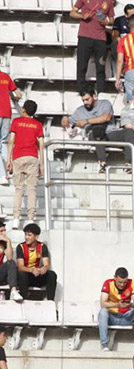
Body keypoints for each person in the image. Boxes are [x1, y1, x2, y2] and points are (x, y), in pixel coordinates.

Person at [62, 87, 133, 173]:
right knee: (98, 130)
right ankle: (102, 163)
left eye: (87, 99)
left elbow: (106, 117)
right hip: (95, 135)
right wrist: (65, 119)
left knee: (129, 132)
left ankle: (129, 164)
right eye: (83, 100)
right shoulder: (80, 110)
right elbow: (67, 121)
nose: (85, 102)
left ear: (94, 97)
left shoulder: (105, 103)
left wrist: (86, 121)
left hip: (110, 133)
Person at [7, 101, 44, 229]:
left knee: (18, 189)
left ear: (23, 110)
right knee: (31, 189)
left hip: (18, 157)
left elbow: (11, 141)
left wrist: (8, 160)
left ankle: (16, 219)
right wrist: (42, 164)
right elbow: (41, 145)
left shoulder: (16, 122)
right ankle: (30, 219)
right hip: (32, 157)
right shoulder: (38, 124)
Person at [71, 0, 114, 94]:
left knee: (100, 68)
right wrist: (82, 16)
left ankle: (101, 93)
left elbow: (111, 20)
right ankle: (81, 92)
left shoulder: (109, 2)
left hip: (101, 39)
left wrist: (106, 23)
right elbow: (72, 13)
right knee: (81, 66)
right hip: (84, 37)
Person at [98, 267, 134, 350]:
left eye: (124, 282)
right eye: (119, 282)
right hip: (112, 317)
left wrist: (129, 305)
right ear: (114, 277)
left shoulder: (132, 283)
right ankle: (104, 344)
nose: (122, 285)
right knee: (103, 312)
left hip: (126, 317)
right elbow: (102, 303)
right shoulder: (108, 283)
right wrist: (117, 305)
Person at [16, 223, 57, 301]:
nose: (26, 237)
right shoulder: (20, 247)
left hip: (37, 275)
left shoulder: (42, 246)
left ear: (36, 236)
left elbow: (47, 264)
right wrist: (31, 270)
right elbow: (20, 267)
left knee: (52, 274)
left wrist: (43, 269)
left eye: (29, 235)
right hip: (26, 276)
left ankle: (51, 302)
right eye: (25, 235)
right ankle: (25, 301)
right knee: (22, 274)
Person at [0, 67, 23, 183]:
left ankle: (2, 175)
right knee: (3, 141)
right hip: (6, 112)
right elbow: (18, 94)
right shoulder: (6, 76)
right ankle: (11, 165)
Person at [0, 224, 20, 302]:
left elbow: (10, 258)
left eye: (5, 230)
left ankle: (13, 291)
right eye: (1, 231)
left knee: (11, 263)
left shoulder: (3, 242)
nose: (4, 233)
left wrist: (8, 241)